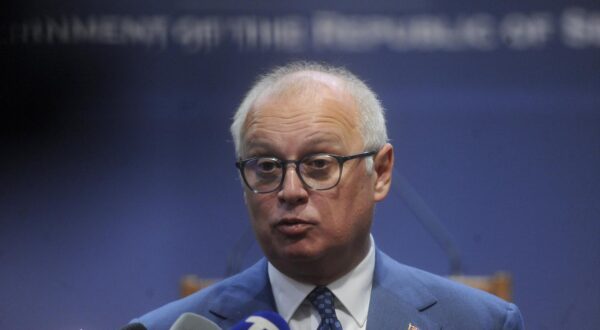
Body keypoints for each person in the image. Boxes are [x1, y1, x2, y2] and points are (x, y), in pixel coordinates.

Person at [126, 62, 524, 329]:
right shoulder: (168, 329)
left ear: (380, 172)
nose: (291, 191)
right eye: (266, 166)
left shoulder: (480, 323)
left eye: (319, 164)